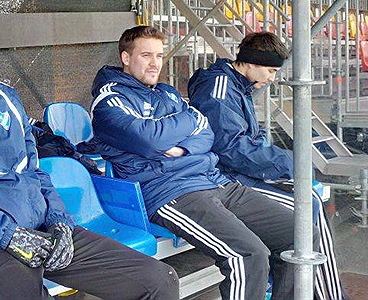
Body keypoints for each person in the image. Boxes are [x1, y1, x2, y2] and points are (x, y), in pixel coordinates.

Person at [0, 0, 178, 300]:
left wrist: (59, 221)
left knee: (158, 280)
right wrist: (6, 234)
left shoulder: (4, 95)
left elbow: (34, 172)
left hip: (38, 227)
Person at [90, 25, 319, 300]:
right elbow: (150, 139)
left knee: (301, 235)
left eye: (159, 56)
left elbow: (206, 132)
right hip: (170, 192)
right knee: (247, 255)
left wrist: (181, 145)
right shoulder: (109, 100)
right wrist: (186, 124)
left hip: (215, 182)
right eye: (146, 55)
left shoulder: (167, 94)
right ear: (126, 58)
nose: (155, 64)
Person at [188, 31, 347, 299]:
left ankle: (317, 292)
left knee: (310, 201)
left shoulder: (238, 84)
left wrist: (284, 162)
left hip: (240, 173)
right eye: (271, 70)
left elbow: (252, 137)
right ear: (251, 62)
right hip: (225, 178)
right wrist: (290, 162)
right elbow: (230, 149)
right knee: (308, 208)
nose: (272, 78)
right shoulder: (219, 89)